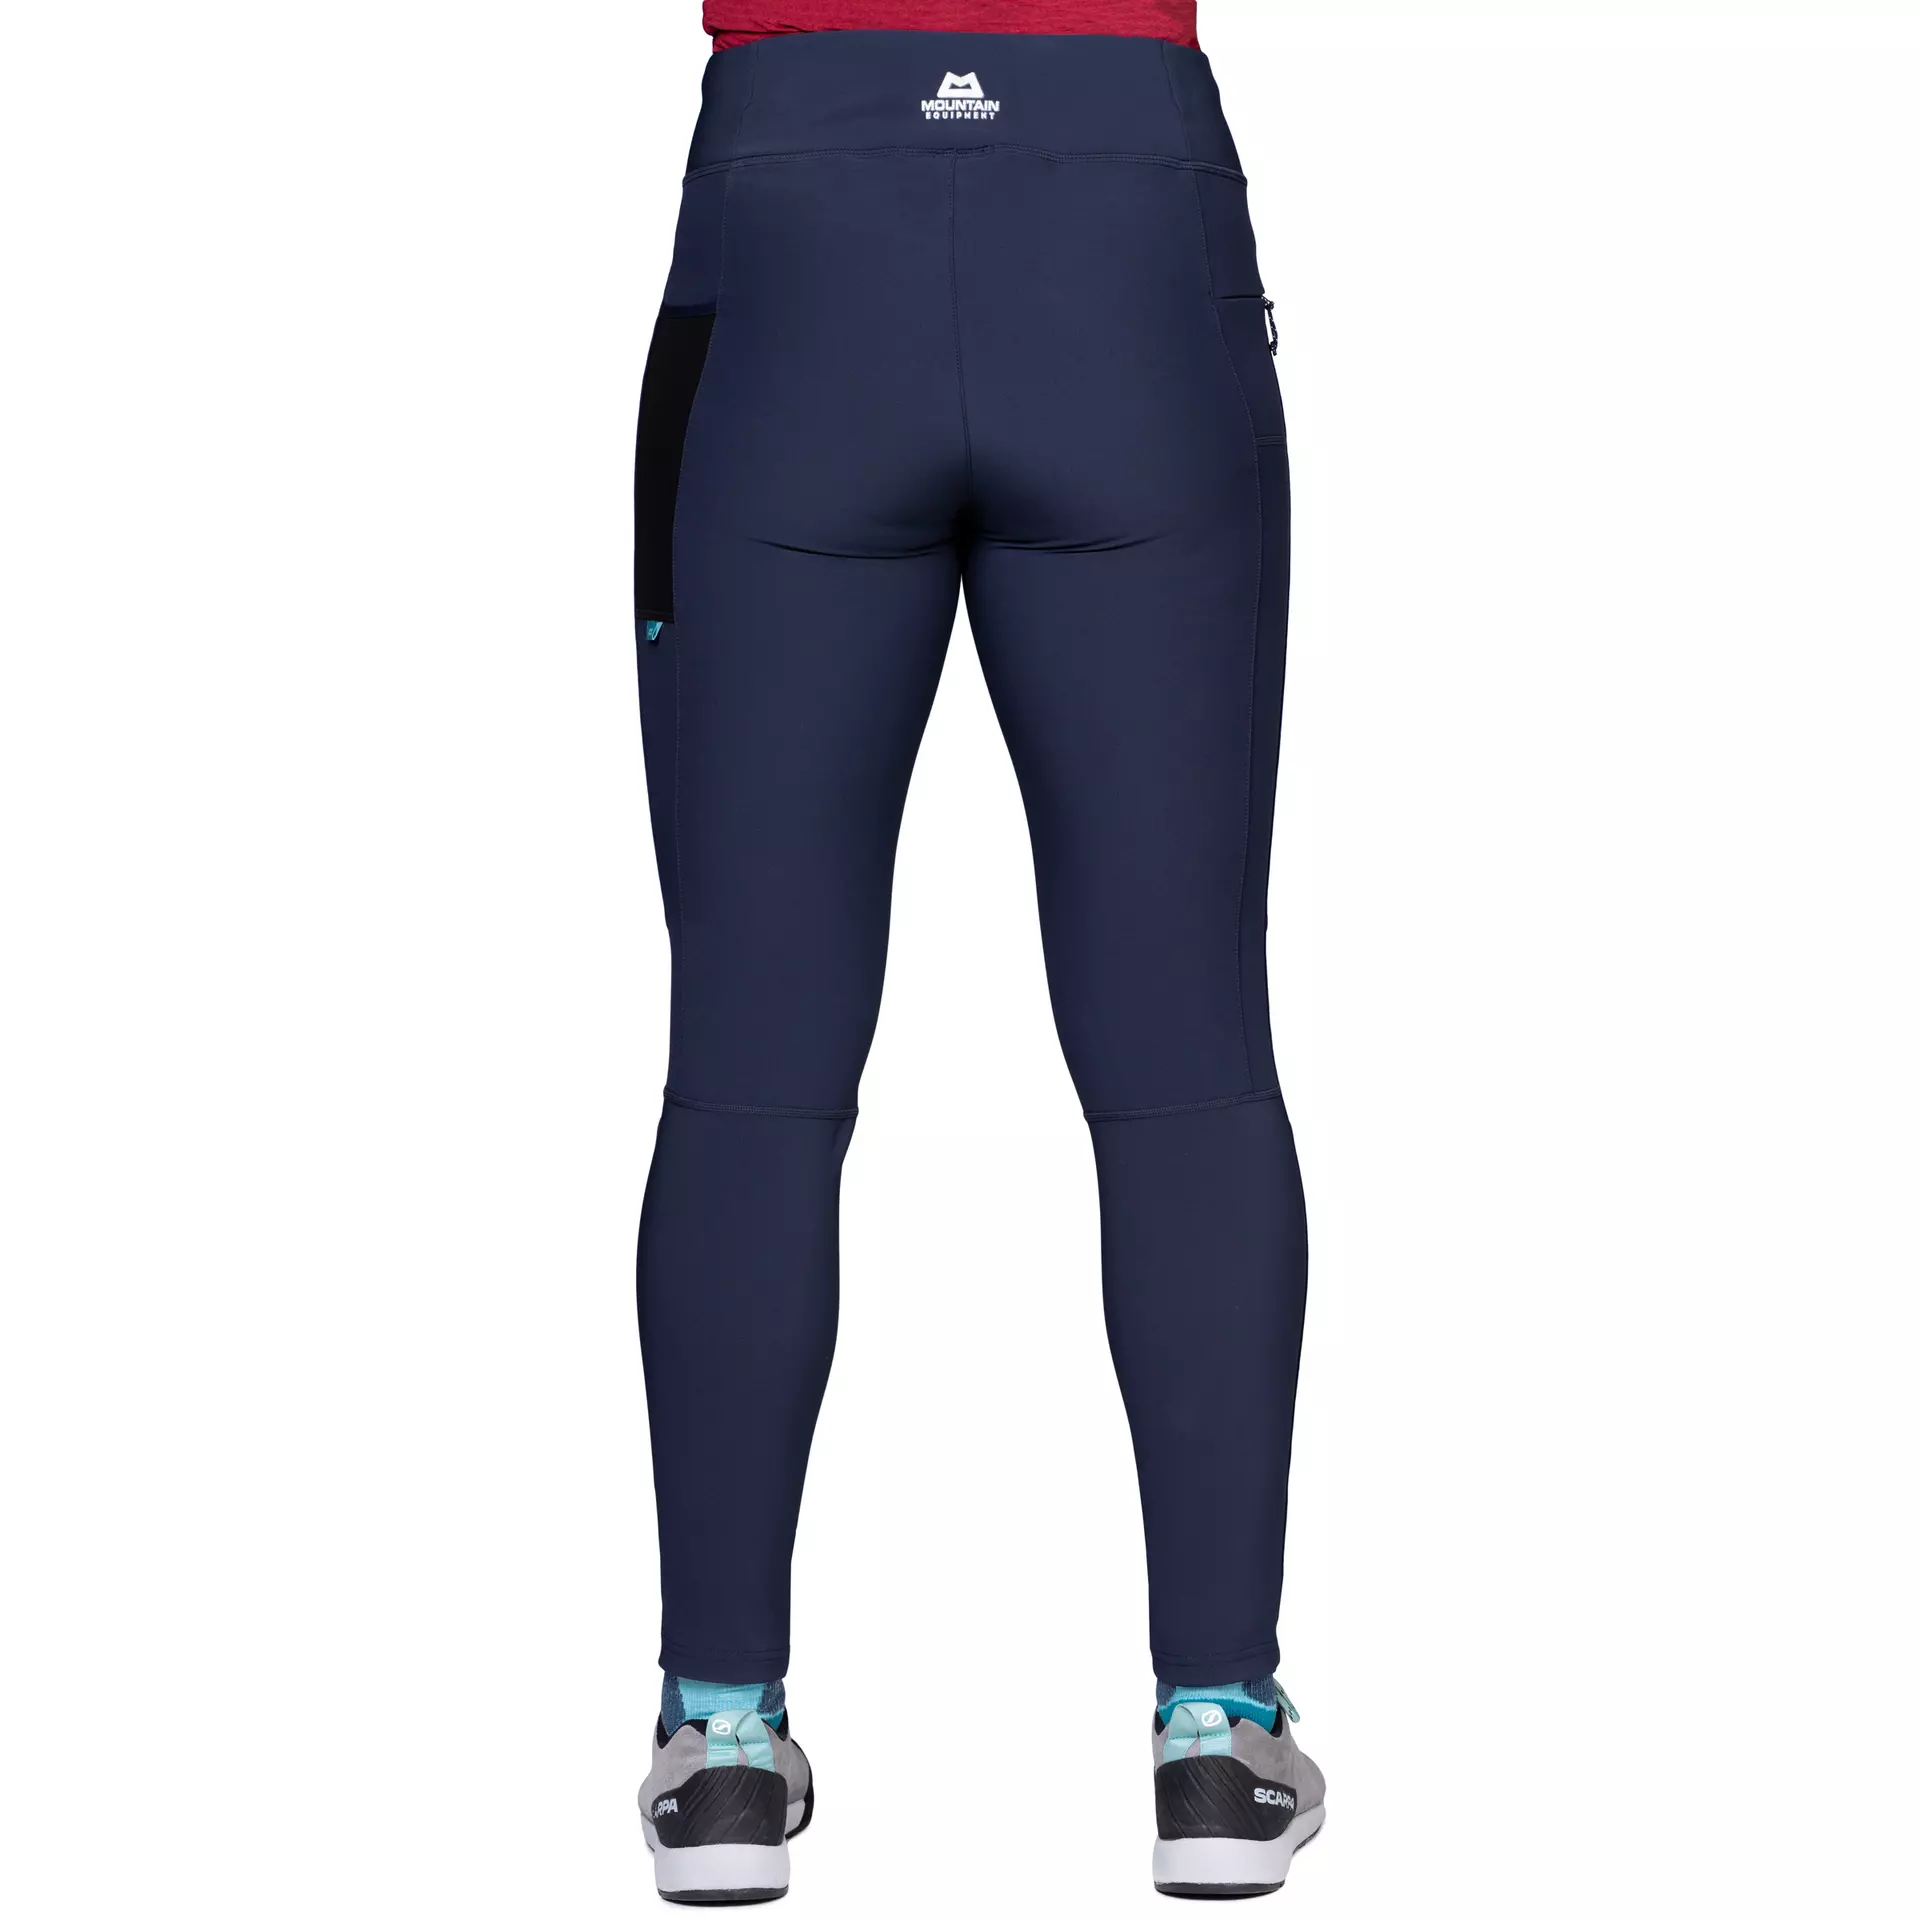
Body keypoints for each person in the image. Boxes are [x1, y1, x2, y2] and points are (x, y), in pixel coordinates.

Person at [630, 3, 1323, 1901]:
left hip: (794, 233)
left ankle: (720, 1739)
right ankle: (1216, 1731)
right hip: (1122, 219)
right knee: (1184, 1052)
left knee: (752, 1064)